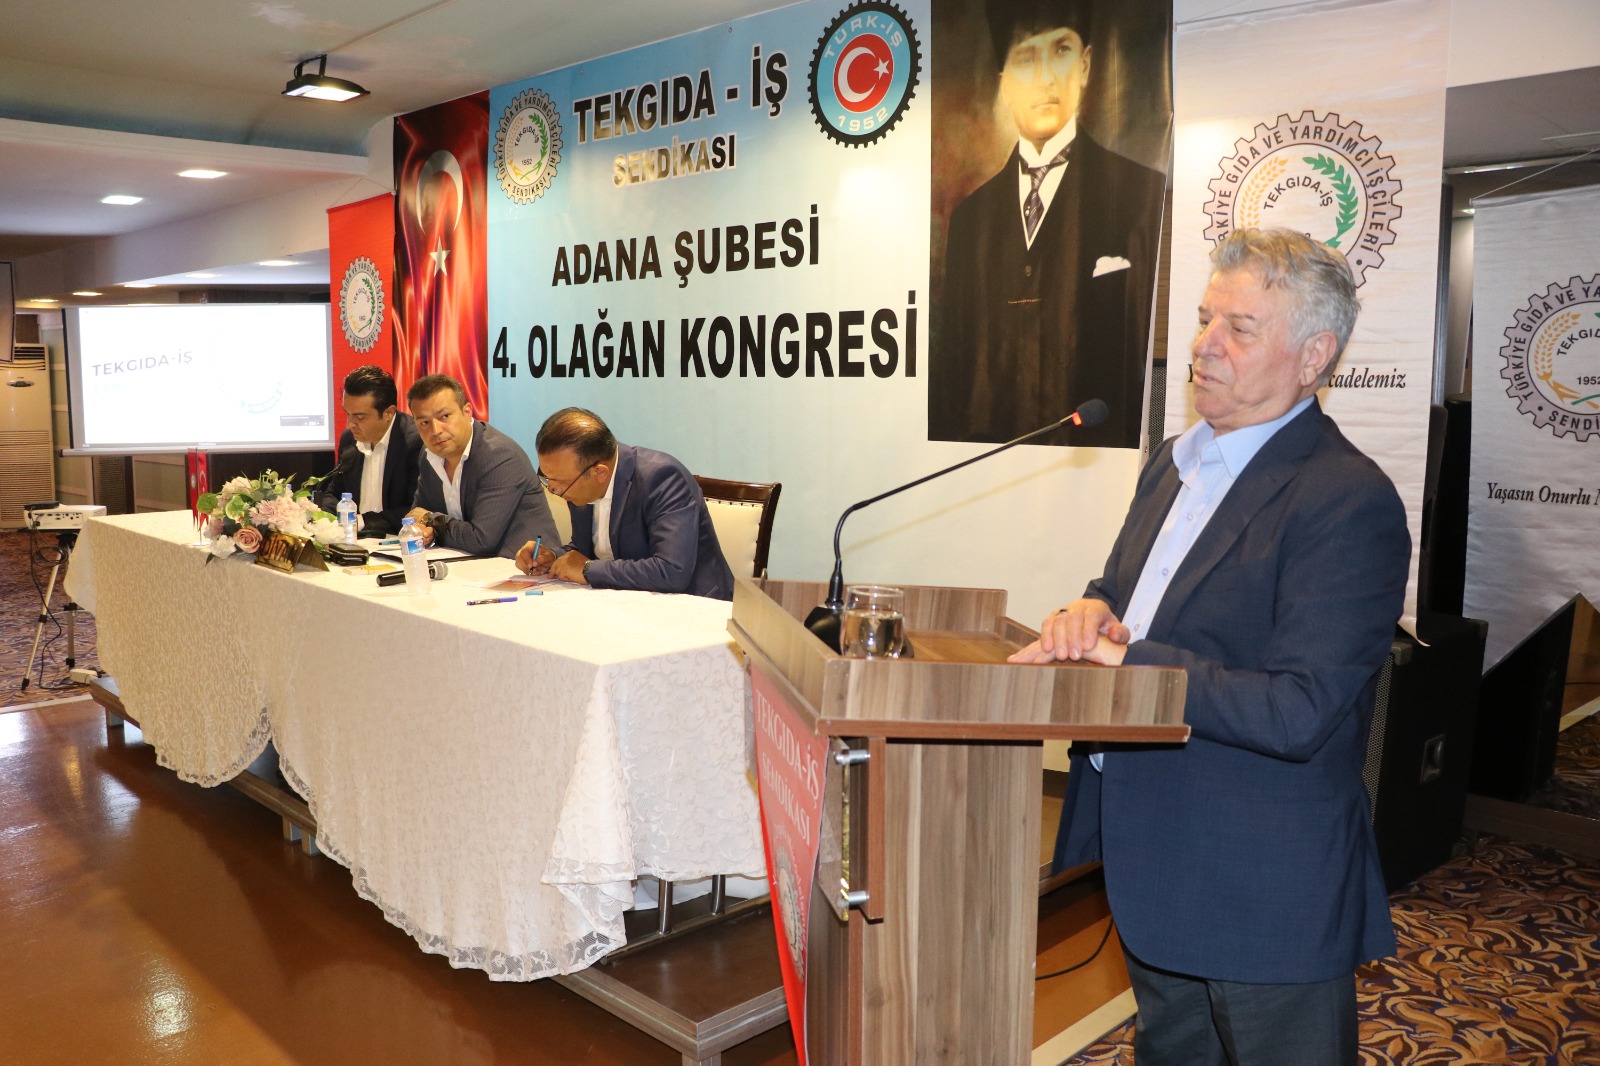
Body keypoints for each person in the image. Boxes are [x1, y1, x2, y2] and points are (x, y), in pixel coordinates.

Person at [1008, 228, 1410, 1065]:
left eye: (1240, 327)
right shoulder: (1174, 462)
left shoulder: (1348, 500)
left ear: (1314, 356)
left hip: (1258, 884)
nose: (1203, 345)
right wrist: (1091, 610)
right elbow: (1126, 590)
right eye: (1202, 319)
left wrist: (1130, 661)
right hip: (1151, 850)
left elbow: (1298, 710)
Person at [930, 0, 1165, 449]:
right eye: (1025, 58)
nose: (1044, 78)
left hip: (1097, 462)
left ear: (1085, 65)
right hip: (988, 462)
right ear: (1004, 84)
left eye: (1060, 50)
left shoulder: (1140, 194)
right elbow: (956, 369)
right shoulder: (970, 219)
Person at [515, 408, 734, 600]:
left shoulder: (662, 478)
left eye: (560, 482)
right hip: (624, 601)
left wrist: (588, 570)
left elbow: (671, 571)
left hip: (692, 608)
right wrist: (554, 557)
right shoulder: (578, 482)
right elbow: (594, 550)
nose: (553, 489)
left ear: (600, 473)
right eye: (547, 478)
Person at [404, 373, 559, 560]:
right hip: (466, 565)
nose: (435, 430)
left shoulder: (499, 456)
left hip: (525, 568)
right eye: (424, 423)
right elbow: (416, 517)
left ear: (467, 411)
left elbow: (481, 540)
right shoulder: (429, 455)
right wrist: (424, 529)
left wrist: (431, 520)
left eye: (444, 416)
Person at [316, 365, 424, 537]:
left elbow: (416, 508)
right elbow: (335, 492)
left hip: (399, 540)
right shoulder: (349, 439)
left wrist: (361, 521)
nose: (350, 424)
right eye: (347, 413)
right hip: (355, 540)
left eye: (359, 417)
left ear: (388, 413)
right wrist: (321, 519)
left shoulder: (415, 442)